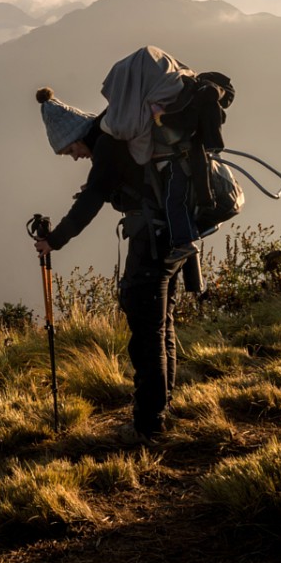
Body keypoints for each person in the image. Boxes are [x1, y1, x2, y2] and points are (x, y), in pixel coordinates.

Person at [31, 86, 186, 446]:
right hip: (174, 234)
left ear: (77, 136)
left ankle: (148, 425)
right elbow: (122, 184)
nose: (74, 157)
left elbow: (90, 202)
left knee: (146, 326)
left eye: (70, 150)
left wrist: (53, 241)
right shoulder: (116, 142)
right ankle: (162, 410)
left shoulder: (109, 144)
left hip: (152, 239)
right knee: (160, 323)